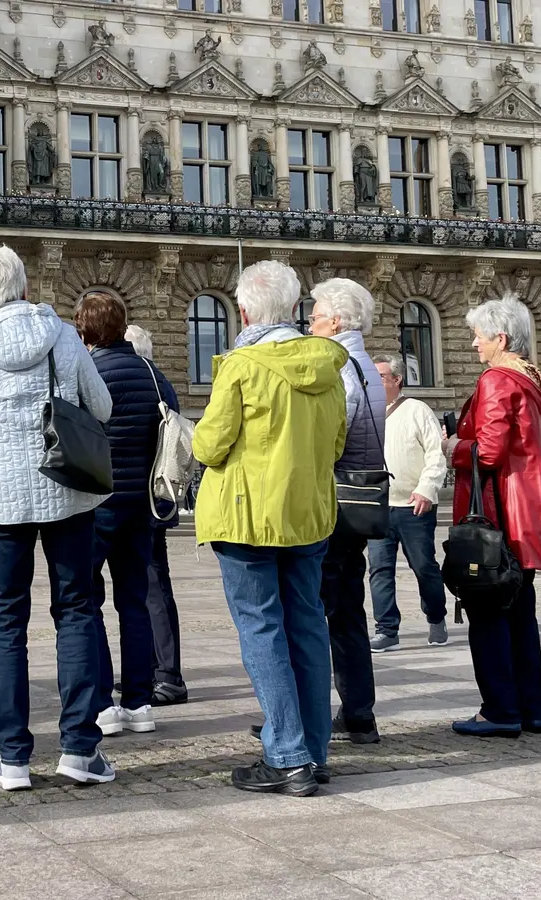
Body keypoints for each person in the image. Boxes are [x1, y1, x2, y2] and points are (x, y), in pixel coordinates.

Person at [0, 244, 116, 790]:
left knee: (5, 620)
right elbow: (102, 407)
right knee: (76, 610)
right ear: (24, 286)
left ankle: (14, 757)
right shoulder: (63, 336)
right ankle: (80, 749)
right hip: (63, 488)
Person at [196, 260, 348, 796]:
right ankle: (314, 751)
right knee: (307, 627)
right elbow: (336, 444)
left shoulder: (241, 366)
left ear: (243, 313)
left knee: (262, 629)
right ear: (294, 309)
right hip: (308, 514)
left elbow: (210, 445)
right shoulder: (328, 366)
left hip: (246, 517)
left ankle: (286, 755)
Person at [445, 294, 541, 738]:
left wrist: (453, 446)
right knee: (521, 611)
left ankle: (499, 709)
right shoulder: (535, 380)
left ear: (501, 338)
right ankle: (530, 709)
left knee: (489, 610)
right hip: (529, 507)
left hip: (499, 511)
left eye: (479, 336)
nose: (474, 344)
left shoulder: (497, 380)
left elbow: (488, 452)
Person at [76, 291, 180, 737]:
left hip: (96, 504)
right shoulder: (153, 373)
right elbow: (173, 422)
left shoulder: (87, 372)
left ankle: (103, 703)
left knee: (87, 601)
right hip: (142, 505)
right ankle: (139, 702)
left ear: (84, 330)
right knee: (134, 602)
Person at [307, 277, 384, 744]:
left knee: (317, 610)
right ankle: (358, 713)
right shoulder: (367, 364)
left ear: (336, 321)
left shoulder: (339, 366)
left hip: (334, 502)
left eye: (315, 316)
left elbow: (334, 434)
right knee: (348, 612)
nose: (310, 323)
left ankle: (310, 716)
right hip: (358, 503)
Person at [367, 352, 449, 650]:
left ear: (397, 379)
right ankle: (386, 629)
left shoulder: (417, 410)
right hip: (378, 507)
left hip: (415, 506)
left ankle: (436, 616)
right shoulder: (367, 412)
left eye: (380, 377)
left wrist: (426, 489)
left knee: (423, 566)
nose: (372, 382)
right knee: (379, 570)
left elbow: (435, 453)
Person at [127, 325, 188, 706]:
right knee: (149, 583)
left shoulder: (141, 380)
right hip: (155, 496)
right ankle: (154, 670)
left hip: (139, 499)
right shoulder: (160, 381)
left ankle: (166, 673)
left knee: (150, 585)